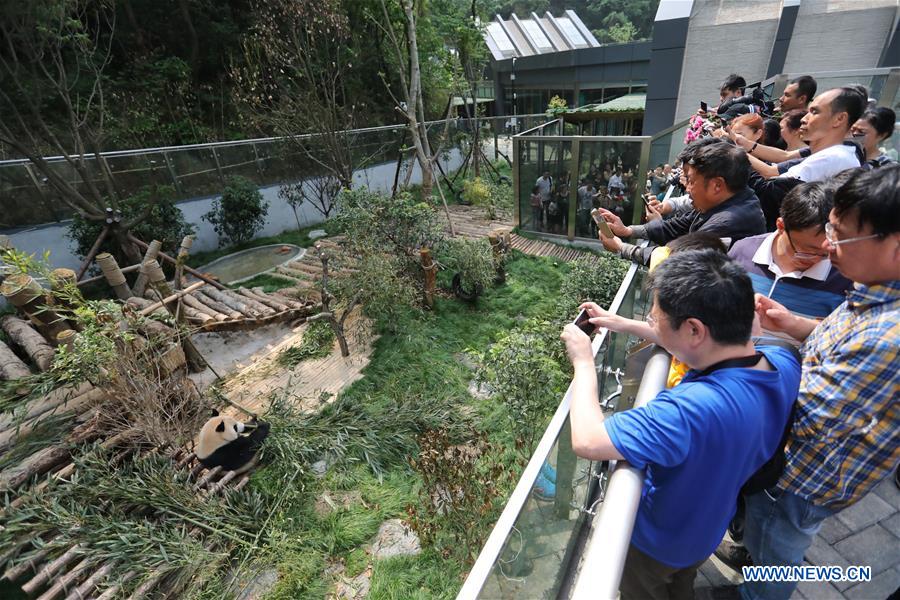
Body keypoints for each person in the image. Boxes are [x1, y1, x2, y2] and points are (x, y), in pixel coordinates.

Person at [561, 249, 800, 600]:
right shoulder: (782, 362)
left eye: (656, 319)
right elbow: (702, 346)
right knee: (682, 587)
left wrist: (583, 362)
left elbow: (587, 439)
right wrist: (621, 323)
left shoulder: (689, 411)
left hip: (656, 543)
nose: (652, 323)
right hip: (707, 528)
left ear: (694, 329)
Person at [714, 165, 900, 600]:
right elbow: (835, 348)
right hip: (796, 468)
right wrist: (795, 325)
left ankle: (760, 594)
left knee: (779, 548)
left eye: (839, 235)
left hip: (799, 477)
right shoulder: (872, 293)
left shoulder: (887, 336)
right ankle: (754, 566)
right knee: (765, 537)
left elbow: (807, 417)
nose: (828, 248)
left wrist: (731, 364)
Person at [599, 139, 766, 266]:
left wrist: (622, 248)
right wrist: (628, 231)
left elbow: (677, 262)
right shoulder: (725, 202)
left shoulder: (727, 223)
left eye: (691, 180)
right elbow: (677, 225)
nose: (687, 188)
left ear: (717, 185)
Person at [728, 181, 852, 323]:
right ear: (781, 226)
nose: (816, 259)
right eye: (807, 251)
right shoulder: (743, 251)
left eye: (825, 254)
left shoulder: (844, 277)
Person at [745, 87, 865, 228]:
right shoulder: (835, 153)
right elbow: (783, 158)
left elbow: (770, 194)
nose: (804, 119)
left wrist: (734, 156)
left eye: (814, 112)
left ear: (839, 119)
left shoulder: (833, 157)